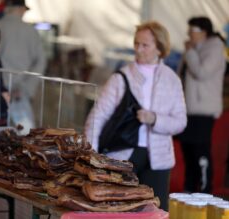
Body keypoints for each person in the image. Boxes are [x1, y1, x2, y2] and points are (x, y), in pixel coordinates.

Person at [84, 21, 187, 210]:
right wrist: (92, 155)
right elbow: (96, 117)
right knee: (118, 209)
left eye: (145, 45)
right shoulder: (120, 78)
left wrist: (155, 119)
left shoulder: (172, 79)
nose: (139, 50)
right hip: (122, 154)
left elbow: (180, 122)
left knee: (156, 211)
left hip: (159, 158)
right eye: (136, 44)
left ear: (160, 48)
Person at [178, 17, 226, 193]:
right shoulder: (193, 48)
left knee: (200, 151)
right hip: (187, 108)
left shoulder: (215, 47)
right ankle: (189, 189)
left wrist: (190, 52)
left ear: (203, 32)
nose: (189, 34)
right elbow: (182, 73)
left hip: (203, 109)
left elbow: (201, 72)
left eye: (193, 31)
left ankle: (205, 190)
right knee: (188, 150)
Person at [0, 0, 46, 134]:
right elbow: (41, 62)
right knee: (24, 135)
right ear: (20, 9)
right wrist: (26, 89)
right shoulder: (30, 31)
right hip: (20, 94)